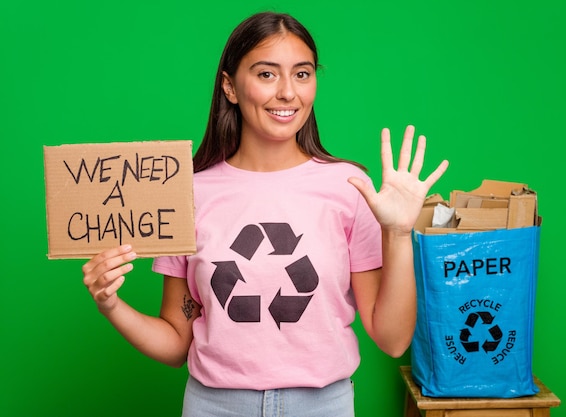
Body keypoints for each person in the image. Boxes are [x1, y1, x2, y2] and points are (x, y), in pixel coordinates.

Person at [82, 11, 448, 417]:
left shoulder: (349, 187)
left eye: (303, 74)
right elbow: (175, 344)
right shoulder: (187, 194)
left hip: (322, 405)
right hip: (214, 405)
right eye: (267, 74)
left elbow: (393, 339)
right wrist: (111, 304)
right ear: (230, 87)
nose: (288, 92)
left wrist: (397, 234)